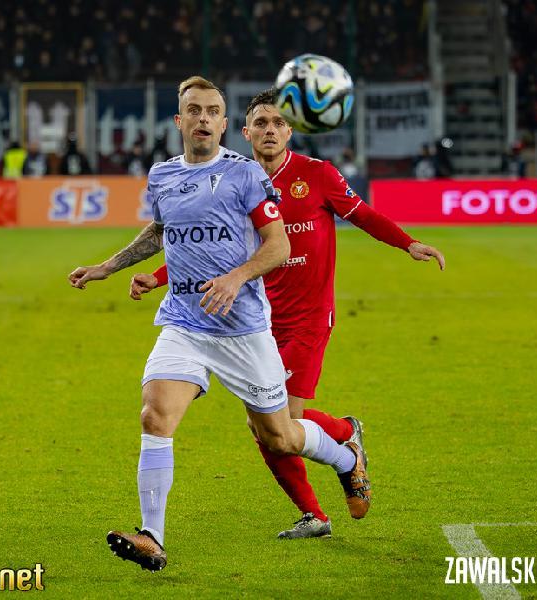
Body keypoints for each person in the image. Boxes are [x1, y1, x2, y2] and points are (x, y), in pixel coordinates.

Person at [67, 77, 370, 571]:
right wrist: (109, 266)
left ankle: (345, 456)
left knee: (279, 437)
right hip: (184, 323)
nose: (203, 118)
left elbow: (278, 245)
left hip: (243, 329)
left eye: (212, 111)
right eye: (194, 110)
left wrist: (236, 278)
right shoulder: (163, 175)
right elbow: (162, 231)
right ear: (179, 121)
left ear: (225, 124)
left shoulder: (245, 175)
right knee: (155, 415)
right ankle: (152, 536)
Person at [131, 88, 444, 539]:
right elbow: (210, 250)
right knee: (265, 427)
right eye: (261, 123)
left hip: (308, 319)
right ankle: (314, 513)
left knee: (285, 418)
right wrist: (159, 278)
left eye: (279, 123)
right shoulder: (233, 179)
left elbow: (362, 214)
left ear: (290, 131)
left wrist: (407, 243)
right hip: (253, 320)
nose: (270, 130)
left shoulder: (317, 174)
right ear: (245, 132)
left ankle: (345, 434)